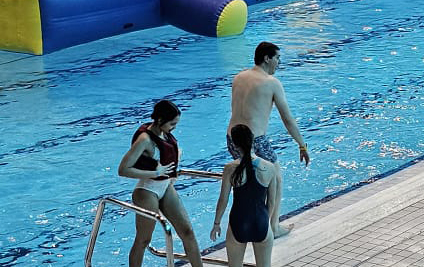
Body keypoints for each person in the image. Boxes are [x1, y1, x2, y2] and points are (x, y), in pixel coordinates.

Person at [227, 42, 311, 237]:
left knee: (248, 181)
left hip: (232, 138)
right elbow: (288, 119)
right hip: (254, 140)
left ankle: (248, 221)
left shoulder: (239, 77)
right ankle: (272, 227)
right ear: (267, 58)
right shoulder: (271, 83)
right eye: (277, 58)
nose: (279, 63)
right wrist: (302, 145)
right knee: (276, 179)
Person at [117, 100, 204, 267]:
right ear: (160, 120)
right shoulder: (145, 140)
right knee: (143, 240)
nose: (174, 128)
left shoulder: (164, 134)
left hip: (165, 187)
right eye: (172, 124)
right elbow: (123, 169)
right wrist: (155, 173)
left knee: (188, 232)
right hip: (147, 191)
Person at [212, 124, 281, 267]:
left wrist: (216, 224)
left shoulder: (230, 168)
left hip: (238, 222)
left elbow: (223, 200)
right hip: (261, 222)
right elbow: (272, 202)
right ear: (253, 140)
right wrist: (265, 222)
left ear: (234, 145)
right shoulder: (269, 167)